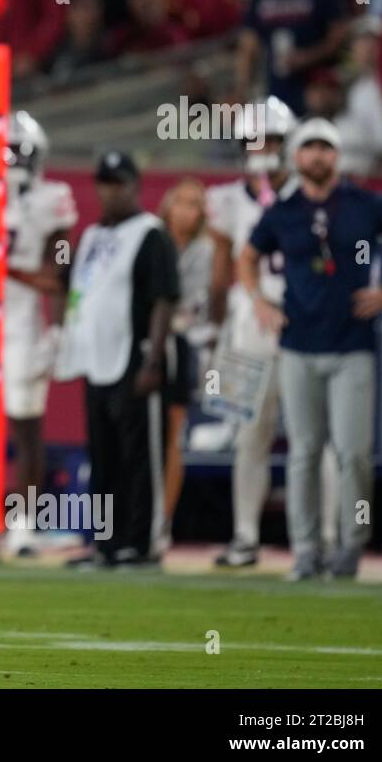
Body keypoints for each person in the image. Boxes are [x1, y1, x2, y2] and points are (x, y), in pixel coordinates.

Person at [241, 117, 382, 580]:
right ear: (296, 156)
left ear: (337, 155)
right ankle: (305, 548)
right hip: (298, 344)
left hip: (352, 344)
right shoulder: (282, 210)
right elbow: (247, 255)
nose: (318, 155)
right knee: (303, 452)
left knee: (353, 452)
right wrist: (259, 301)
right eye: (310, 147)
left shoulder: (364, 203)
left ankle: (352, 543)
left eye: (326, 147)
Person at [56, 151, 179, 568]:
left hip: (134, 356)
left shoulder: (151, 234)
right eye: (104, 183)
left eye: (118, 183)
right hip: (97, 359)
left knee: (139, 455)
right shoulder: (91, 235)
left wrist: (154, 359)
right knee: (103, 455)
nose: (110, 191)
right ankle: (106, 543)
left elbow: (164, 299)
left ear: (134, 186)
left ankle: (140, 542)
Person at [207, 98, 301, 567]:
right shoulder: (226, 200)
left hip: (301, 322)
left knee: (312, 437)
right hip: (247, 324)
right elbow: (222, 267)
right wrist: (213, 325)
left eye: (270, 140)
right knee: (249, 435)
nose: (261, 149)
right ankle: (245, 536)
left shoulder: (308, 194)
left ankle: (319, 540)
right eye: (253, 140)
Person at [0, 112, 76, 556]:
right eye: (4, 152)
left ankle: (23, 522)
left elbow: (58, 274)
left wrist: (60, 329)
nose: (11, 161)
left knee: (26, 427)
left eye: (19, 152)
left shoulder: (53, 198)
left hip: (25, 324)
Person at [158, 177, 214, 550]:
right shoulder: (153, 241)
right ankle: (133, 514)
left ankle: (162, 521)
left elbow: (190, 306)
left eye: (194, 203)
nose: (186, 210)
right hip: (149, 344)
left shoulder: (206, 251)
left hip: (183, 344)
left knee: (172, 437)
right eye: (180, 201)